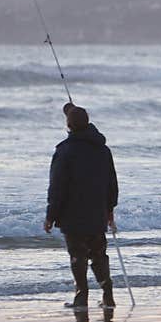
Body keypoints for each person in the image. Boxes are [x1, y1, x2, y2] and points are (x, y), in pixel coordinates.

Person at [45, 103, 119, 308]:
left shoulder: (65, 150)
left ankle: (81, 296)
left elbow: (57, 187)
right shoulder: (103, 150)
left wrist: (50, 215)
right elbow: (111, 182)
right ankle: (107, 294)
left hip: (72, 214)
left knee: (77, 256)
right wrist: (110, 209)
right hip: (97, 212)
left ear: (68, 125)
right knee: (98, 255)